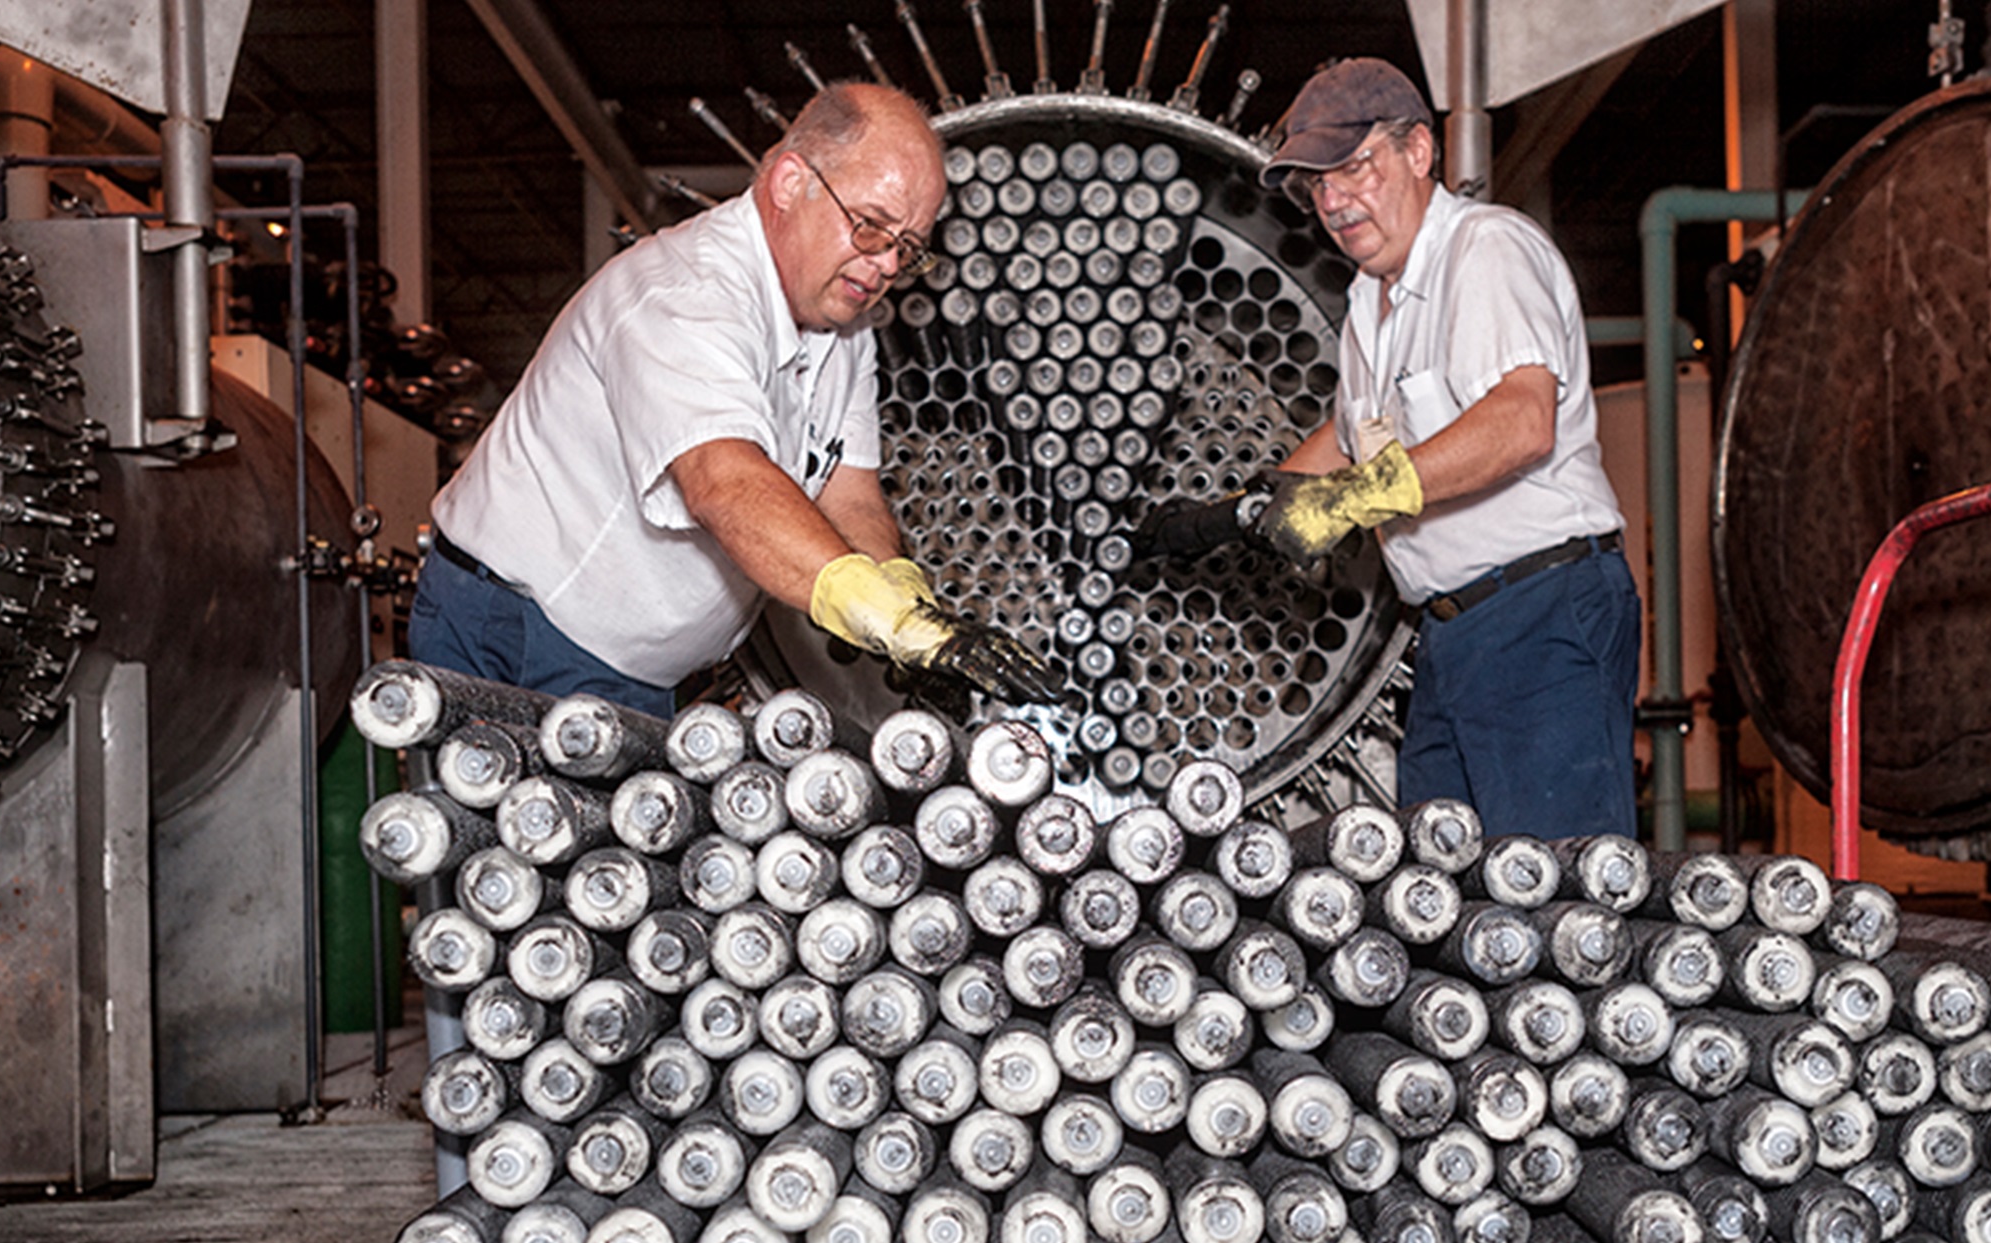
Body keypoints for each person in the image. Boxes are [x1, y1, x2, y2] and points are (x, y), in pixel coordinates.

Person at [410, 82, 1061, 718]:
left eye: (908, 248)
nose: (888, 264)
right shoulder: (686, 293)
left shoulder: (844, 327)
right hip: (523, 629)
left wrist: (904, 600)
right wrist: (880, 617)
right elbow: (724, 483)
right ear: (790, 183)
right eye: (871, 227)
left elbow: (849, 495)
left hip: (634, 670)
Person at [1141, 57, 1639, 841]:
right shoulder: (1371, 303)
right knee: (1444, 882)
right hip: (1450, 633)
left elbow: (1520, 421)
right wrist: (1223, 517)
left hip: (1540, 613)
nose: (1333, 201)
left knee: (1553, 874)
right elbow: (1350, 439)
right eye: (1317, 185)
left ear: (1419, 151)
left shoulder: (1484, 250)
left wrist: (1350, 501)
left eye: (1353, 168)